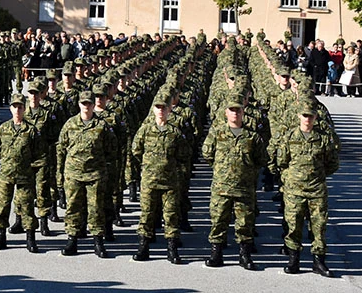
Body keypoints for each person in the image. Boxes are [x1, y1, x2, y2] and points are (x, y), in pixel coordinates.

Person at [201, 95, 269, 270]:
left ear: (243, 113)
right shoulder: (217, 133)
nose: (235, 113)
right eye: (232, 110)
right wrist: (221, 170)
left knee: (245, 223)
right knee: (218, 221)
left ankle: (244, 255)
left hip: (244, 188)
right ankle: (216, 254)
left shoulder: (252, 137)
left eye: (238, 110)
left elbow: (261, 159)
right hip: (221, 187)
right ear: (226, 112)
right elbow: (208, 154)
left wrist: (248, 172)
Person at [276, 104, 340, 276]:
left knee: (319, 226)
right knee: (293, 225)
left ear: (315, 117)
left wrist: (317, 175)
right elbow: (281, 161)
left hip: (316, 189)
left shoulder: (323, 138)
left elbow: (333, 163)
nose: (307, 119)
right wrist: (291, 177)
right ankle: (293, 259)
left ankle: (318, 261)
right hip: (294, 190)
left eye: (310, 116)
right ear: (299, 116)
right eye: (304, 115)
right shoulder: (290, 136)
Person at [131, 91, 191, 264]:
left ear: (169, 109)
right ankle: (143, 247)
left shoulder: (175, 133)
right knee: (147, 214)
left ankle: (171, 249)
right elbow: (136, 149)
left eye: (164, 107)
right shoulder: (145, 130)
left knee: (171, 215)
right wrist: (149, 165)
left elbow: (184, 155)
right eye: (158, 107)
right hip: (150, 180)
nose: (160, 111)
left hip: (170, 181)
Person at [56, 89, 117, 258]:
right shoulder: (70, 124)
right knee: (73, 207)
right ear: (79, 104)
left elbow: (112, 149)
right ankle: (72, 240)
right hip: (73, 174)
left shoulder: (102, 126)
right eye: (84, 103)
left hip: (95, 175)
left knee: (96, 208)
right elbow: (61, 148)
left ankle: (98, 241)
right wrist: (60, 173)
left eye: (89, 103)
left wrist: (104, 168)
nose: (87, 106)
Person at [0, 93, 40, 253]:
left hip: (25, 175)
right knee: (3, 206)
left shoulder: (31, 130)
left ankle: (30, 238)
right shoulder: (3, 129)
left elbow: (38, 152)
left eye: (20, 107)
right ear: (10, 109)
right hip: (6, 174)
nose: (17, 109)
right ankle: (1, 236)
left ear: (25, 109)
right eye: (14, 106)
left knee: (27, 207)